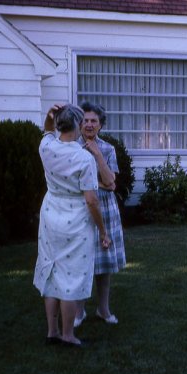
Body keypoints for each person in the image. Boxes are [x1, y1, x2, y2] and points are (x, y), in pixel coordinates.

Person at [34, 104, 111, 347]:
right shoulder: (84, 158)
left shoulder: (46, 146)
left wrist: (50, 115)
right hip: (75, 220)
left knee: (52, 271)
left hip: (50, 215)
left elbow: (47, 131)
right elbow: (91, 199)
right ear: (79, 125)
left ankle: (51, 332)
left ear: (58, 124)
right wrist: (103, 230)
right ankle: (67, 334)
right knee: (70, 277)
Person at [74, 101, 126, 327]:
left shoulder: (107, 149)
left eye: (93, 121)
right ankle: (78, 312)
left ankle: (103, 310)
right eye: (85, 120)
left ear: (100, 125)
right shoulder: (71, 148)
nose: (88, 124)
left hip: (105, 209)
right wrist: (102, 183)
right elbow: (74, 184)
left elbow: (112, 182)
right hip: (81, 209)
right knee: (79, 263)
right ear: (79, 124)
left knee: (103, 265)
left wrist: (97, 155)